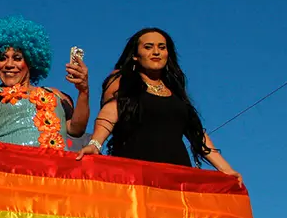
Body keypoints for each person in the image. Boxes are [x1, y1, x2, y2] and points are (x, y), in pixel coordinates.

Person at [76, 28, 243, 184]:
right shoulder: (122, 79)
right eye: (148, 47)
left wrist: (226, 169)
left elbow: (197, 135)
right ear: (135, 55)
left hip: (177, 175)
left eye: (161, 47)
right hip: (136, 175)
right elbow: (112, 111)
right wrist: (95, 144)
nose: (156, 52)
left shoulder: (176, 91)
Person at [0, 15, 89, 150]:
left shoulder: (58, 95)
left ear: (31, 61)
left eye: (17, 58)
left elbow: (76, 129)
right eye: (2, 58)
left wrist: (84, 91)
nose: (9, 64)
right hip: (10, 169)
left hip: (56, 169)